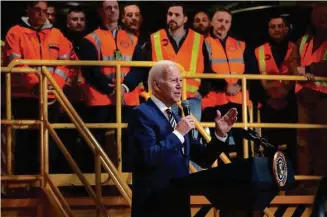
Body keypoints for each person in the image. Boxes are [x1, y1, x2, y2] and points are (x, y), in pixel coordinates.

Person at [128, 60, 238, 217]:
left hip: (179, 204)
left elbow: (204, 159)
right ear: (157, 85)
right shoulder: (141, 114)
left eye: (181, 80)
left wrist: (220, 135)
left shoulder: (176, 116)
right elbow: (148, 157)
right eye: (174, 80)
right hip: (154, 206)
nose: (180, 85)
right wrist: (178, 134)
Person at [123, 3, 211, 140]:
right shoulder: (154, 39)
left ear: (185, 19)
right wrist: (127, 85)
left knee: (192, 141)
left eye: (177, 15)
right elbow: (141, 67)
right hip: (162, 100)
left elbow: (208, 70)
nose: (172, 18)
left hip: (190, 100)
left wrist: (202, 92)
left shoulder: (198, 40)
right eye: (170, 14)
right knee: (164, 139)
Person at [3, 1, 72, 174]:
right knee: (25, 142)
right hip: (25, 96)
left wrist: (52, 84)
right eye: (37, 10)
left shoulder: (57, 34)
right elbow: (16, 64)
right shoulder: (15, 32)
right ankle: (24, 184)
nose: (42, 14)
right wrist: (38, 85)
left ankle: (48, 180)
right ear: (28, 10)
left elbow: (65, 64)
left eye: (45, 11)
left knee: (50, 142)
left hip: (51, 97)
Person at [79, 0, 140, 171]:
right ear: (100, 12)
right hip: (100, 99)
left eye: (115, 7)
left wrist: (124, 87)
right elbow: (90, 71)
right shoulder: (90, 39)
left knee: (129, 139)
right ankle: (92, 180)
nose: (112, 11)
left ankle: (128, 180)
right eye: (108, 8)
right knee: (94, 141)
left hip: (127, 98)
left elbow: (139, 68)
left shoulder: (133, 39)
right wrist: (111, 89)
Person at [200, 8, 252, 159]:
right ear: (212, 23)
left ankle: (245, 178)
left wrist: (239, 87)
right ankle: (219, 179)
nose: (223, 24)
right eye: (220, 20)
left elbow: (251, 69)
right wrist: (225, 85)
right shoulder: (204, 44)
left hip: (238, 100)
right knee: (217, 144)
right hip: (214, 102)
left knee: (244, 144)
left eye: (227, 21)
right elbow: (204, 69)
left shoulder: (240, 45)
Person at [253, 15, 298, 169]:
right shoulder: (259, 51)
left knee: (293, 144)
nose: (277, 30)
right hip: (268, 104)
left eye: (280, 26)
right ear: (268, 30)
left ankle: (292, 179)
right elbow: (254, 78)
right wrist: (267, 99)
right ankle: (271, 180)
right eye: (273, 27)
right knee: (269, 145)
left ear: (286, 28)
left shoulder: (296, 48)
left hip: (291, 103)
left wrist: (288, 97)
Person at [296, 4, 327, 176]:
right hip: (304, 96)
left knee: (323, 142)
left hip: (324, 98)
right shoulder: (303, 41)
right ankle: (305, 181)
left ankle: (321, 183)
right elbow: (294, 64)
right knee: (303, 142)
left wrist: (310, 69)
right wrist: (299, 71)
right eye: (319, 17)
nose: (322, 20)